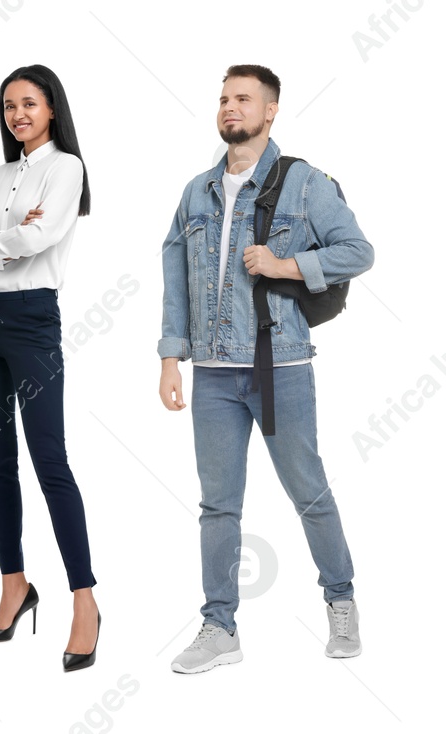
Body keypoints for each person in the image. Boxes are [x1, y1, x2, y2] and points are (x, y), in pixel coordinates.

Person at [160, 65, 372, 674]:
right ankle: (218, 626)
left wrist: (285, 265)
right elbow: (174, 277)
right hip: (212, 373)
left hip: (281, 365)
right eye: (224, 98)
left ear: (271, 109)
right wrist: (170, 356)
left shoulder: (303, 183)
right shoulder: (196, 191)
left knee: (308, 490)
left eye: (244, 98)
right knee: (218, 505)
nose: (230, 107)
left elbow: (358, 250)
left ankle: (341, 599)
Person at [0, 64, 101, 672]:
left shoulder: (67, 168)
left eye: (29, 104)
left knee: (50, 459)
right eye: (10, 105)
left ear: (52, 110)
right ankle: (14, 584)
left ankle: (85, 599)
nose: (18, 114)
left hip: (32, 321)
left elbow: (34, 240)